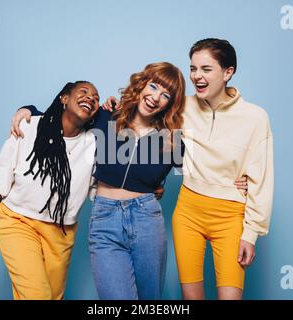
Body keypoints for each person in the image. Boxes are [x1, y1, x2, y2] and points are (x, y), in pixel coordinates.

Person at [11, 62, 248, 300]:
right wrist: (28, 109)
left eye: (165, 95)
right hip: (104, 220)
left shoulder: (173, 139)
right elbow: (62, 117)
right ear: (141, 84)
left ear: (170, 103)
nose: (155, 97)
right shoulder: (104, 117)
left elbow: (206, 166)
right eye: (153, 86)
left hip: (147, 220)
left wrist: (236, 179)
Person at [103, 38, 273, 300]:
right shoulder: (181, 106)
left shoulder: (255, 117)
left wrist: (251, 232)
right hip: (188, 212)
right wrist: (113, 106)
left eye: (206, 69)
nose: (197, 76)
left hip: (231, 216)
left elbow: (261, 178)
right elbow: (145, 117)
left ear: (228, 72)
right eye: (193, 69)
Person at [0, 81, 100, 300]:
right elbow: (0, 178)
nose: (91, 98)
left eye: (96, 98)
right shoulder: (29, 126)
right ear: (64, 99)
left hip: (62, 232)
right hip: (18, 222)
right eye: (84, 92)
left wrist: (147, 185)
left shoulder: (94, 144)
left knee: (52, 296)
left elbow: (102, 188)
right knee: (37, 295)